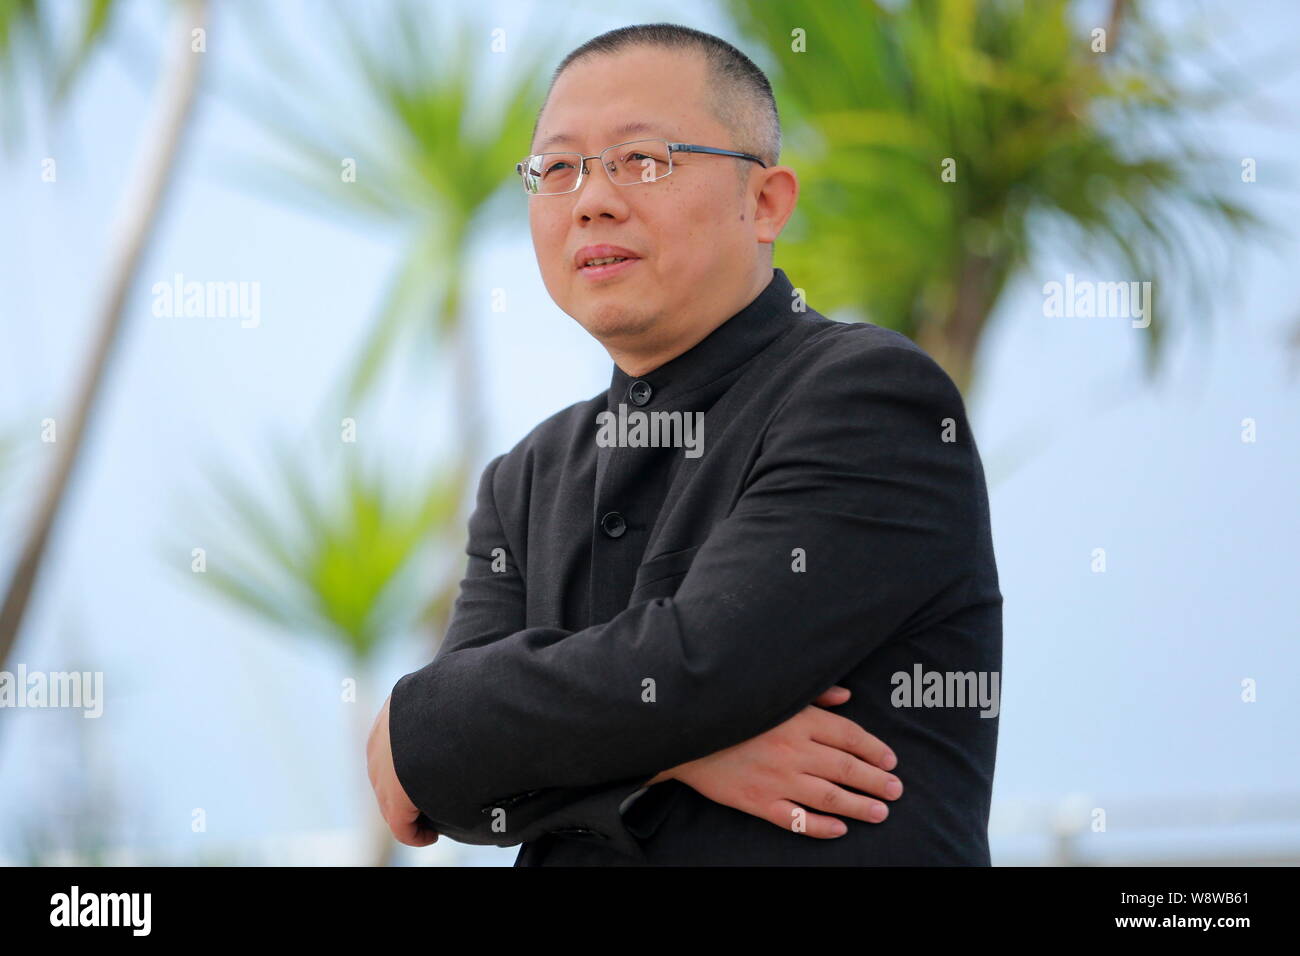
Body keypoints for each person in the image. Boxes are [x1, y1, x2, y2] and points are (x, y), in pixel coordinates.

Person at [367, 22, 1002, 866]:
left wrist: (461, 733)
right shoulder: (525, 477)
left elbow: (703, 668)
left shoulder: (869, 397)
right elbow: (435, 788)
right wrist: (677, 754)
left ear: (766, 202)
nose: (591, 198)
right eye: (558, 168)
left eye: (643, 161)